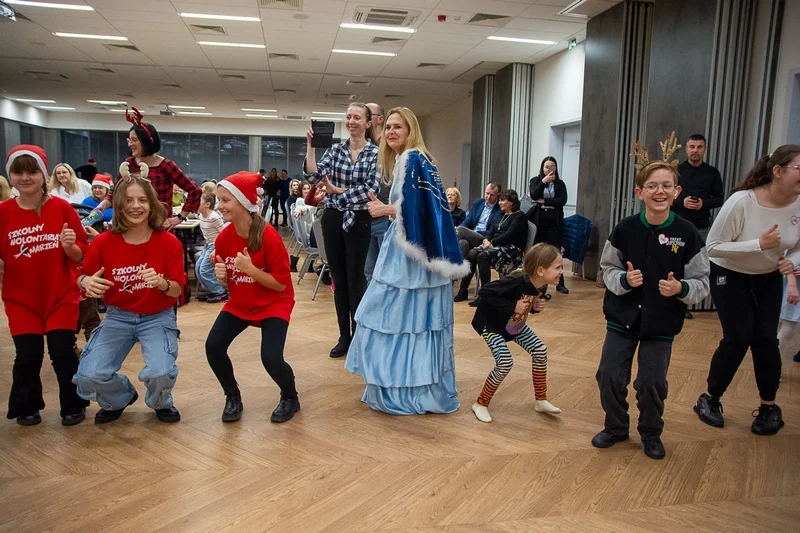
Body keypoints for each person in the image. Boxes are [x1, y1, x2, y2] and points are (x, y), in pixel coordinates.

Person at [345, 106, 469, 414]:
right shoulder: (411, 159)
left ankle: (404, 389)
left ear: (411, 130)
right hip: (406, 249)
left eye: (398, 126)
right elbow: (420, 207)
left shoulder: (414, 158)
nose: (391, 131)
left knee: (402, 320)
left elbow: (423, 210)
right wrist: (388, 209)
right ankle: (405, 385)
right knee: (408, 322)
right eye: (388, 126)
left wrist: (385, 209)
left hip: (409, 256)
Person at [593, 136, 710, 460]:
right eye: (652, 186)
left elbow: (702, 281)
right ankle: (616, 427)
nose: (660, 191)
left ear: (677, 191)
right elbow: (606, 269)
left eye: (666, 186)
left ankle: (651, 432)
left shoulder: (687, 233)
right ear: (639, 192)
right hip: (622, 317)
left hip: (661, 321)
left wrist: (681, 288)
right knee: (609, 376)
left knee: (652, 383)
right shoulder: (625, 228)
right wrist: (624, 280)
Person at [694, 144, 800, 436]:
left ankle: (769, 407)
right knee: (738, 337)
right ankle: (709, 399)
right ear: (778, 171)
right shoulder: (742, 201)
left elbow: (797, 246)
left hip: (768, 276)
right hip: (729, 274)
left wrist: (791, 262)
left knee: (766, 339)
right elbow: (713, 247)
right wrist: (758, 245)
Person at [73, 162, 185, 424]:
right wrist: (85, 281)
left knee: (160, 372)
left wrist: (161, 283)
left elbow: (177, 290)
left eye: (142, 200)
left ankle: (160, 401)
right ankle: (119, 397)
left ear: (152, 205)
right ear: (119, 205)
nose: (136, 206)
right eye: (129, 200)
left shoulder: (168, 242)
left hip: (157, 316)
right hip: (118, 316)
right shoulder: (104, 242)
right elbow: (80, 275)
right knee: (89, 375)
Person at [1, 145, 89, 426]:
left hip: (60, 294)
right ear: (10, 176)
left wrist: (69, 246)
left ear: (43, 175)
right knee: (27, 355)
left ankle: (74, 404)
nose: (25, 177)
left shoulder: (62, 208)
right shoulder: (3, 212)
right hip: (21, 298)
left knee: (62, 352)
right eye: (19, 172)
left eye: (32, 171)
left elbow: (80, 255)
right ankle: (27, 406)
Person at [206, 171, 299, 423]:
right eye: (219, 200)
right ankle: (232, 396)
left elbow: (280, 285)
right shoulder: (224, 238)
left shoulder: (269, 236)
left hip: (274, 302)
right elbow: (229, 281)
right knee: (213, 346)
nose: (219, 205)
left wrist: (252, 270)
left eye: (226, 200)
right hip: (242, 302)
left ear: (243, 203)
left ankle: (290, 396)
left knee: (271, 358)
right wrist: (221, 276)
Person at [304, 102, 379, 357]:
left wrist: (337, 192)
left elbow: (371, 189)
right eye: (348, 117)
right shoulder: (335, 150)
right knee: (338, 279)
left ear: (367, 123)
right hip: (333, 218)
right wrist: (310, 147)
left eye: (357, 117)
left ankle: (359, 336)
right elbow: (315, 177)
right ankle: (343, 336)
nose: (351, 121)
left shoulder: (375, 154)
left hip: (359, 220)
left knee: (356, 278)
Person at [470, 243, 563, 423]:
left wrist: (534, 308)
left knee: (540, 351)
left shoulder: (541, 284)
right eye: (558, 267)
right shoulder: (517, 280)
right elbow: (485, 291)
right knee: (505, 362)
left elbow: (525, 303)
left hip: (514, 324)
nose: (561, 271)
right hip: (492, 325)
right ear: (541, 270)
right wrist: (513, 306)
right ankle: (480, 403)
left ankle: (541, 400)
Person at [92, 107, 201, 230]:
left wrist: (180, 217)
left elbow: (195, 190)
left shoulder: (165, 166)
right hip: (131, 227)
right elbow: (116, 193)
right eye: (129, 140)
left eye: (134, 140)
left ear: (147, 142)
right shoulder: (128, 164)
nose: (130, 144)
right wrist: (102, 206)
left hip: (158, 228)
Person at [671, 134, 724, 319]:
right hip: (677, 225)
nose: (695, 150)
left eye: (699, 147)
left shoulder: (712, 173)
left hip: (701, 226)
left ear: (704, 149)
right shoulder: (676, 171)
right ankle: (674, 303)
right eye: (692, 146)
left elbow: (719, 199)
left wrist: (703, 204)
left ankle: (687, 301)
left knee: (695, 265)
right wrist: (682, 202)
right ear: (686, 149)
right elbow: (668, 195)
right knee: (675, 262)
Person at [457, 189, 528, 304]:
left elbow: (509, 235)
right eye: (499, 200)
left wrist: (492, 242)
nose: (499, 203)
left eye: (502, 200)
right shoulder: (502, 215)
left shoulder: (520, 217)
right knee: (472, 254)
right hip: (496, 246)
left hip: (512, 250)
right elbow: (491, 231)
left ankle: (485, 295)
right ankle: (463, 290)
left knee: (483, 255)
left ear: (511, 202)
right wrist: (486, 240)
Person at [529, 157, 569, 294]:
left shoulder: (560, 183)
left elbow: (562, 200)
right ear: (542, 168)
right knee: (538, 251)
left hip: (554, 221)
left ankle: (560, 282)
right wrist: (543, 182)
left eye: (552, 166)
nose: (549, 169)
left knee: (556, 251)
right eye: (547, 167)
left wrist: (545, 201)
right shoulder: (535, 181)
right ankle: (536, 281)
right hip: (539, 221)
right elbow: (534, 195)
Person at [195, 192, 228, 303]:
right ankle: (210, 289)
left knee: (204, 270)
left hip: (216, 245)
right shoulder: (201, 216)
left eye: (199, 201)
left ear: (207, 204)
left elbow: (224, 234)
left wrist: (216, 249)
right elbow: (207, 234)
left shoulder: (214, 217)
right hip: (209, 245)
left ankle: (220, 292)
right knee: (198, 267)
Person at [456, 182, 502, 260]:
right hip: (470, 235)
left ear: (498, 195)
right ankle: (461, 268)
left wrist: (471, 233)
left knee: (459, 229)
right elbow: (468, 221)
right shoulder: (478, 203)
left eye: (492, 195)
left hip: (485, 238)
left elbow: (492, 231)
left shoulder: (500, 209)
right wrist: (468, 233)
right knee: (462, 243)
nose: (488, 197)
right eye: (487, 193)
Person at [780, 271, 800, 364]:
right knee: (788, 329)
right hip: (796, 286)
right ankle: (773, 366)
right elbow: (789, 265)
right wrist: (792, 285)